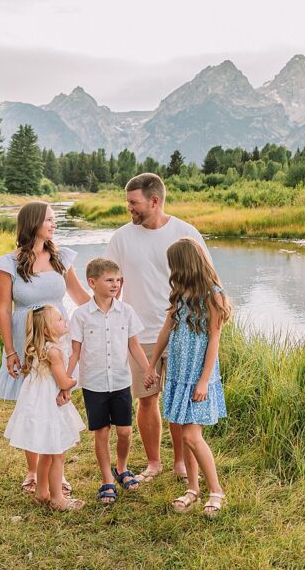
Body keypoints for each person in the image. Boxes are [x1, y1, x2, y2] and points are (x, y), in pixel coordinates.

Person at [104, 174, 211, 484]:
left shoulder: (186, 233)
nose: (129, 208)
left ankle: (181, 463)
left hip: (182, 335)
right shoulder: (121, 238)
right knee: (147, 399)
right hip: (140, 335)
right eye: (128, 202)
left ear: (154, 201)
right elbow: (111, 286)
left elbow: (207, 279)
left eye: (133, 202)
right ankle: (154, 463)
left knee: (178, 400)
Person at [0, 201, 90, 495]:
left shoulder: (61, 258)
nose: (54, 224)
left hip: (58, 338)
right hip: (26, 341)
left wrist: (108, 309)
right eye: (49, 219)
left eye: (54, 219)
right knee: (32, 402)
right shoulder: (8, 264)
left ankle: (57, 472)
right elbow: (3, 309)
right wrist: (10, 350)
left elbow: (80, 296)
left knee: (57, 399)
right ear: (33, 223)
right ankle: (33, 472)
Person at [143, 237, 229, 516]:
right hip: (178, 374)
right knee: (182, 432)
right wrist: (151, 365)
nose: (172, 271)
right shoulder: (180, 292)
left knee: (192, 435)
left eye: (174, 265)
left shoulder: (213, 294)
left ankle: (216, 491)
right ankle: (193, 489)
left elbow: (214, 339)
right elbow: (165, 330)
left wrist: (204, 380)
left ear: (185, 264)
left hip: (198, 376)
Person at [66, 258, 151, 505]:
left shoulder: (126, 312)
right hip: (94, 384)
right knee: (101, 433)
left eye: (117, 280)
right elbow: (74, 351)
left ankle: (121, 468)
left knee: (125, 431)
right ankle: (107, 480)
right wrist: (67, 380)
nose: (115, 284)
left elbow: (134, 345)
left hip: (121, 381)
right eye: (109, 280)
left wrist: (148, 370)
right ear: (92, 283)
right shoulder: (81, 315)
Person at [3, 305, 85, 511]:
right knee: (58, 454)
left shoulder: (43, 348)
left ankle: (42, 493)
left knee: (47, 452)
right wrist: (74, 381)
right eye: (59, 319)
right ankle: (57, 499)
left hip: (38, 404)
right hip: (49, 406)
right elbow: (63, 381)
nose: (64, 320)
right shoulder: (54, 351)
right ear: (48, 330)